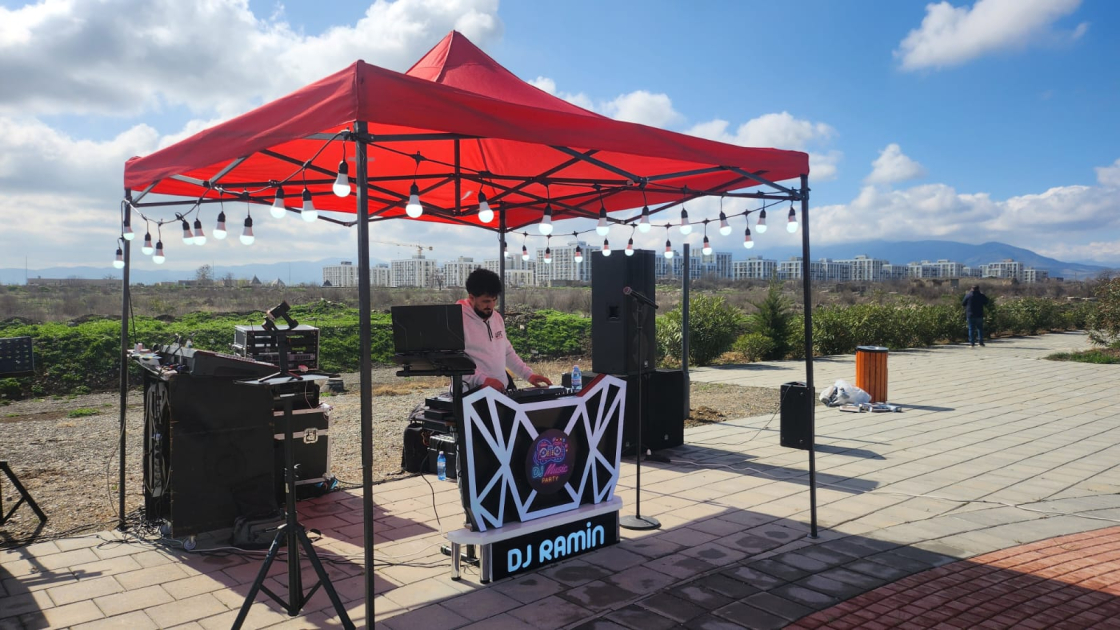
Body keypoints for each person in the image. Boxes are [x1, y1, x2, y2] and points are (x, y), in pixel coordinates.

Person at [459, 268, 552, 391]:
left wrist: (528, 375)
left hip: (500, 390)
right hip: (471, 393)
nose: (491, 306)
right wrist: (482, 380)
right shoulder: (457, 319)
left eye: (494, 300)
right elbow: (452, 362)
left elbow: (507, 352)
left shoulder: (496, 318)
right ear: (471, 298)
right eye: (486, 301)